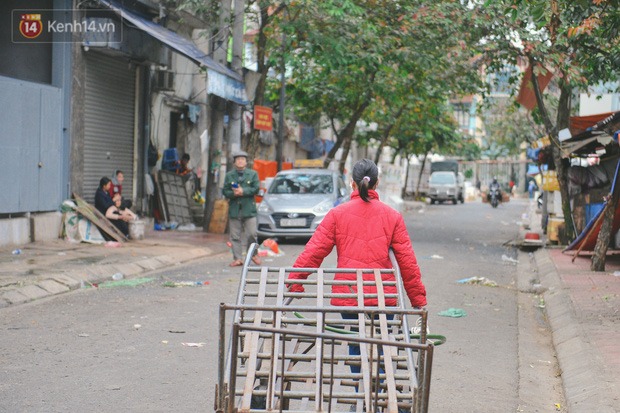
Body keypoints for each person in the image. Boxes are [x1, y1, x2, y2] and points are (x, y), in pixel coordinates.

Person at [286, 159, 427, 376]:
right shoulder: (393, 216)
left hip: (349, 295)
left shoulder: (337, 214)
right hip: (383, 298)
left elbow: (313, 252)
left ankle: (359, 394)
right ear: (377, 183)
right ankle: (379, 396)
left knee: (356, 345)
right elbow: (407, 262)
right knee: (381, 344)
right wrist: (418, 302)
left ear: (352, 183)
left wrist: (295, 284)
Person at [223, 151, 262, 267]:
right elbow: (225, 191)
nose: (240, 161)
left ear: (246, 162)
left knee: (252, 234)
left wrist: (243, 191)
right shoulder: (230, 175)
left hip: (249, 209)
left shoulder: (253, 174)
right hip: (235, 209)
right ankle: (238, 258)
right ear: (235, 162)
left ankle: (253, 254)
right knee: (235, 236)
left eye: (242, 159)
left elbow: (256, 189)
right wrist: (234, 193)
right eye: (238, 159)